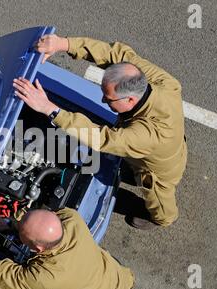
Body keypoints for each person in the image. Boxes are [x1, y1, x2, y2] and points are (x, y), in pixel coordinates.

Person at [13, 35, 187, 230]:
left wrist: (50, 109)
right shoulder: (162, 83)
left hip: (158, 170)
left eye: (109, 99)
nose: (103, 101)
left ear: (130, 100)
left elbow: (101, 138)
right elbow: (117, 54)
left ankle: (161, 219)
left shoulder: (149, 135)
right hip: (162, 145)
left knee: (160, 204)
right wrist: (64, 44)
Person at [0, 201, 135, 289]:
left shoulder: (45, 278)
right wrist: (9, 224)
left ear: (38, 249)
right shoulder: (71, 218)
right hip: (119, 276)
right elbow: (38, 223)